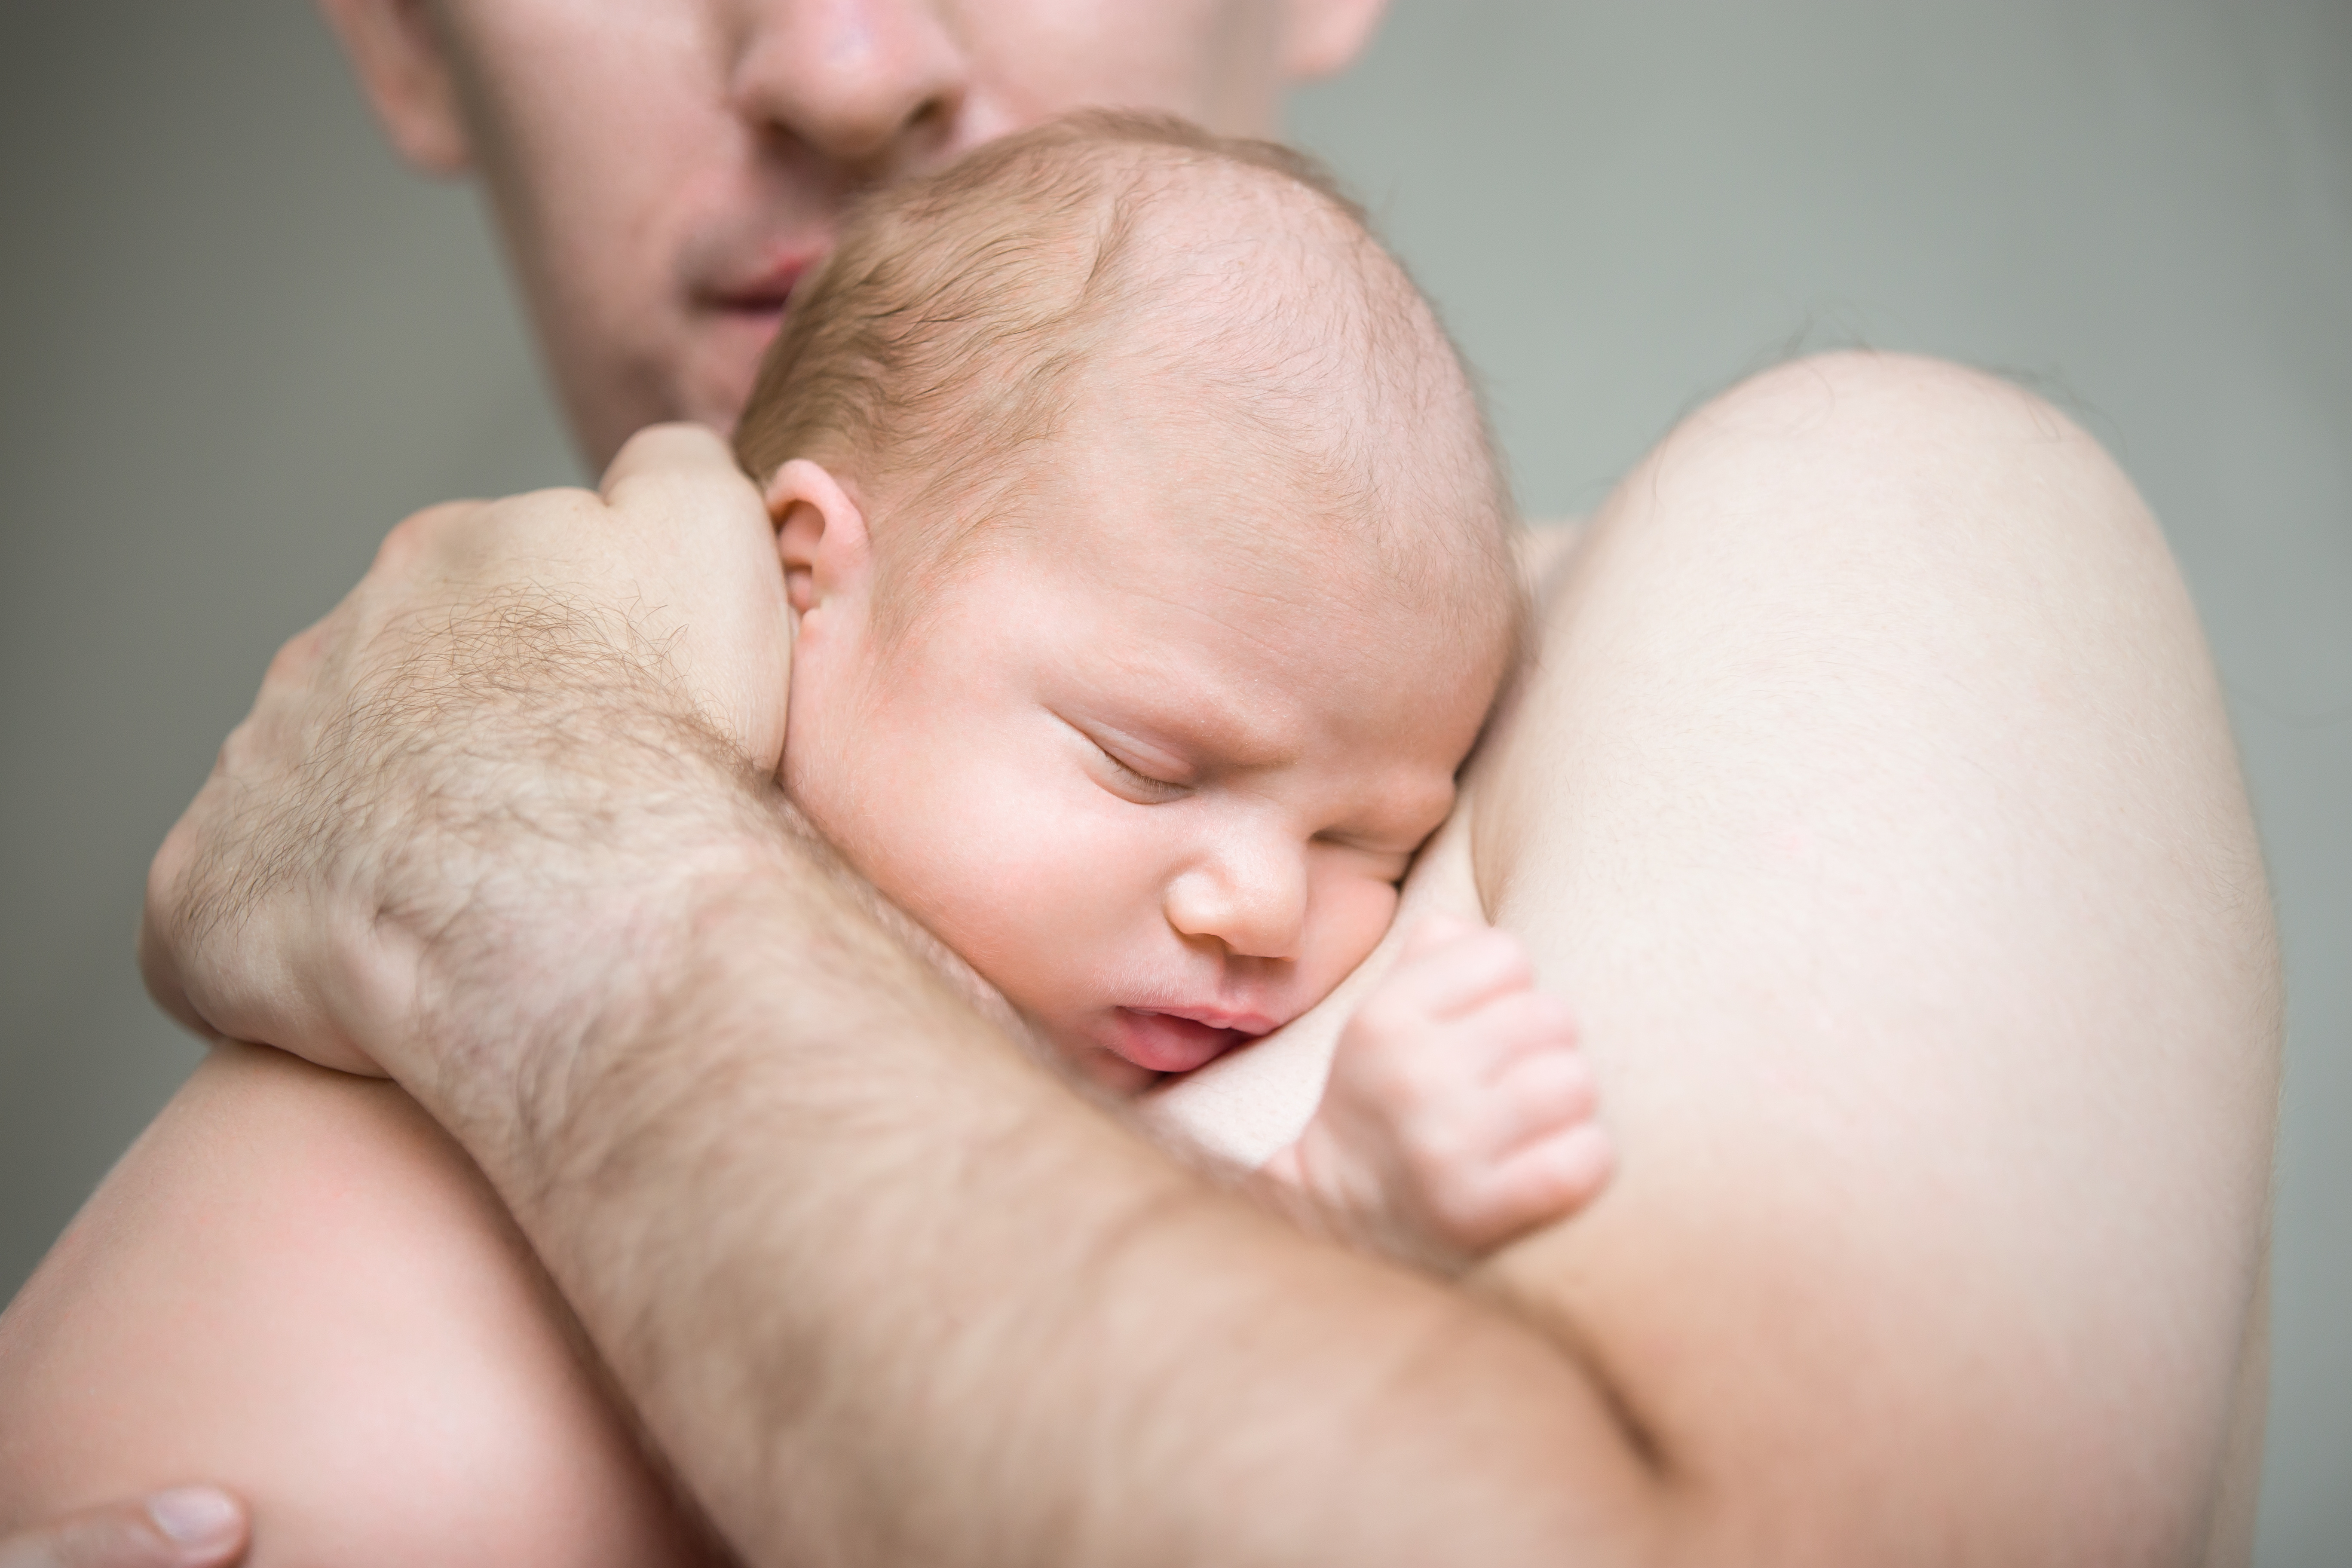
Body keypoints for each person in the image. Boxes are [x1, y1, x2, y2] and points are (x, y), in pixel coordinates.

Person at [0, 2, 2280, 1565]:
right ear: (406, 28)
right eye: (1141, 761)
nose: (840, 57)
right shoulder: (447, 762)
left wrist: (538, 850)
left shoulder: (1852, 557)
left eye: (1369, 843)